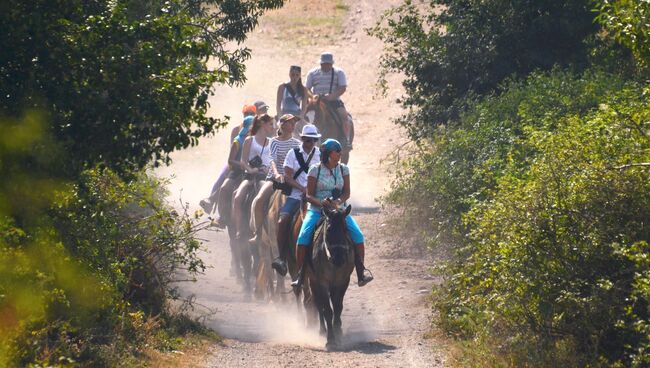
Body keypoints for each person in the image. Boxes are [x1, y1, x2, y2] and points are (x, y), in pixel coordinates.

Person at [291, 138, 373, 289]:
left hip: (339, 210)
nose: (341, 153)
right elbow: (308, 195)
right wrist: (322, 202)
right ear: (329, 153)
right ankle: (301, 274)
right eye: (338, 151)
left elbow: (347, 192)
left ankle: (361, 272)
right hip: (317, 210)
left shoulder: (343, 169)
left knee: (358, 236)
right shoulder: (315, 169)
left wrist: (338, 201)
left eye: (340, 150)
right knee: (303, 237)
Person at [271, 123, 321, 276]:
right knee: (283, 220)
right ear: (303, 139)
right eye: (308, 140)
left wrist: (314, 190)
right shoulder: (292, 154)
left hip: (316, 196)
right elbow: (287, 177)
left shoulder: (320, 154)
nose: (311, 143)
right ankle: (282, 257)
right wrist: (302, 189)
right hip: (295, 195)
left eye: (313, 140)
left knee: (337, 218)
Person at [248, 114, 301, 245]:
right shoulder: (274, 141)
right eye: (290, 122)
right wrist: (277, 174)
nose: (293, 125)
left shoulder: (297, 143)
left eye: (294, 122)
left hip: (292, 179)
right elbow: (272, 159)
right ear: (282, 125)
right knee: (259, 199)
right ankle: (258, 233)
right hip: (275, 179)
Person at [200, 104, 256, 216]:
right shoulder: (237, 130)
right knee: (223, 175)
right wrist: (241, 162)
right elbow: (233, 147)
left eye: (251, 113)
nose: (249, 115)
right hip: (237, 160)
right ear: (243, 114)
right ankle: (212, 199)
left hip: (252, 165)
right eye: (247, 113)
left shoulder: (258, 132)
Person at [232, 114, 275, 240]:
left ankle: (266, 229)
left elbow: (273, 161)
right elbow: (243, 161)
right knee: (238, 197)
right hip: (250, 176)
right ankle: (239, 229)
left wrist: (269, 169)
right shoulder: (249, 140)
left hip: (266, 177)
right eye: (271, 124)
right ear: (262, 124)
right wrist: (251, 170)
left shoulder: (272, 142)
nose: (273, 127)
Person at [305, 52, 353, 148]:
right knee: (305, 116)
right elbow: (306, 88)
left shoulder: (339, 72)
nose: (326, 66)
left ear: (331, 64)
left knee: (344, 117)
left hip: (334, 101)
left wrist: (331, 96)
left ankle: (346, 139)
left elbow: (342, 88)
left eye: (328, 64)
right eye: (324, 64)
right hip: (316, 101)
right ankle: (303, 137)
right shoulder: (313, 73)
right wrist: (313, 97)